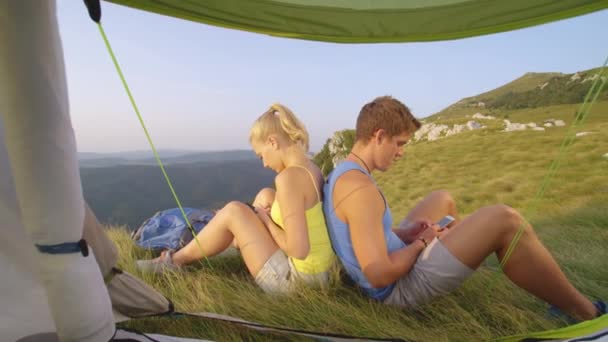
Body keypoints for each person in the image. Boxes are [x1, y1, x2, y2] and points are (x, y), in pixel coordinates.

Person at [323, 96, 606, 321]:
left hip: (396, 256)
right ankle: (584, 312)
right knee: (504, 219)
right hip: (396, 291)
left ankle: (457, 259)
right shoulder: (360, 190)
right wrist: (421, 243)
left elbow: (361, 232)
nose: (401, 152)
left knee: (442, 198)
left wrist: (406, 233)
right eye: (399, 144)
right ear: (379, 135)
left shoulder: (347, 173)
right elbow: (379, 274)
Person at [138, 104, 335, 295]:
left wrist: (265, 220)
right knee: (266, 195)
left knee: (234, 210)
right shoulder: (311, 168)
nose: (265, 164)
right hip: (319, 274)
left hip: (296, 284)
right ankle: (229, 240)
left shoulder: (288, 179)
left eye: (261, 156)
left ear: (273, 142)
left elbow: (298, 250)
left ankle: (173, 263)